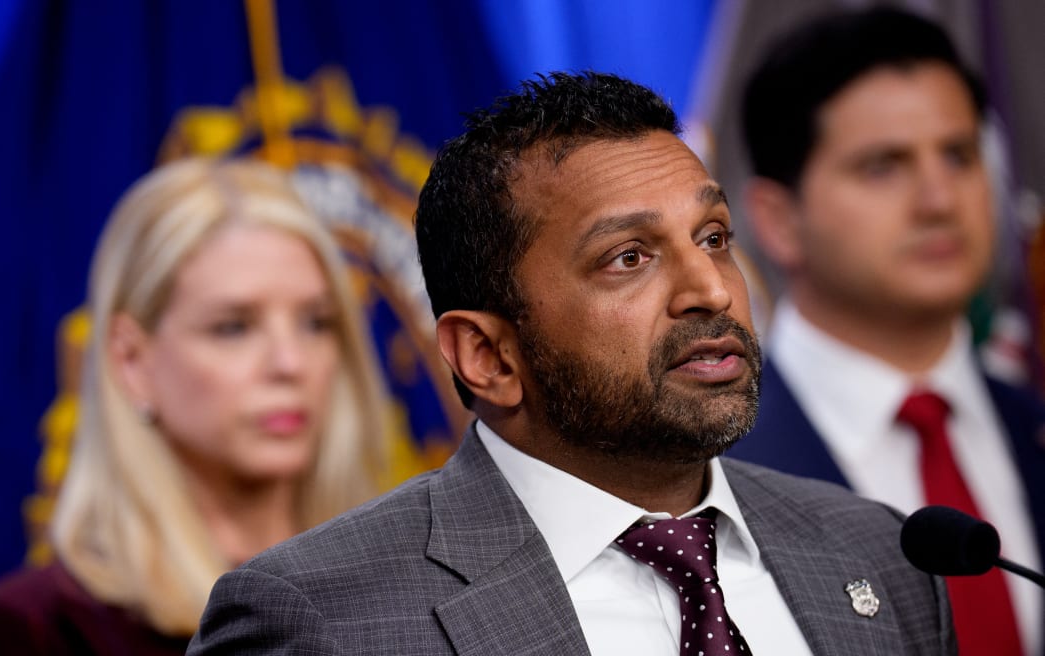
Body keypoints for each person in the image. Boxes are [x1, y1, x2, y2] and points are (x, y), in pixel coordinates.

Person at [187, 71, 953, 655]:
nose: (711, 290)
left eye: (714, 237)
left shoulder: (881, 555)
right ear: (488, 356)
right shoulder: (323, 621)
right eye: (629, 257)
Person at [726, 7, 1045, 656]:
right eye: (883, 166)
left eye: (959, 155)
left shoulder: (1033, 425)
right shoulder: (702, 466)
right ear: (778, 220)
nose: (939, 199)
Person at [0, 157, 389, 653]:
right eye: (234, 327)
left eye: (315, 322)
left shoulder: (410, 598)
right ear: (132, 361)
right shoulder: (32, 631)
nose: (291, 363)